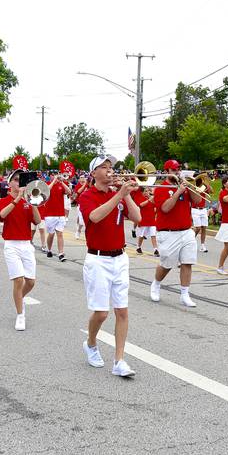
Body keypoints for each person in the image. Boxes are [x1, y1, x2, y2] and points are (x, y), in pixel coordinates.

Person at [77, 156, 141, 377]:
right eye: (103, 167)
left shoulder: (119, 194)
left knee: (122, 311)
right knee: (101, 313)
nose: (109, 171)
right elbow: (94, 216)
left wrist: (127, 195)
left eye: (111, 167)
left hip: (120, 257)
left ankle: (119, 361)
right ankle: (91, 343)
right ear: (93, 173)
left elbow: (138, 217)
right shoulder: (87, 196)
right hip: (97, 259)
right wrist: (119, 196)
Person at [149, 160, 205, 307]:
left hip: (186, 230)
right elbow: (165, 208)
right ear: (167, 171)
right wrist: (178, 192)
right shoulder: (161, 188)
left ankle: (184, 294)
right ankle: (156, 284)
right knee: (167, 264)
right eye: (174, 170)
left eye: (179, 169)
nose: (177, 172)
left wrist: (190, 188)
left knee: (188, 262)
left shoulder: (186, 186)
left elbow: (198, 201)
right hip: (168, 232)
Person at [0, 170, 41, 330]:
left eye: (20, 180)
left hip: (26, 244)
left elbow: (37, 221)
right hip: (11, 245)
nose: (18, 182)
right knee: (18, 280)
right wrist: (17, 198)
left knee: (30, 282)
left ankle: (18, 299)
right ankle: (20, 315)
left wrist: (32, 202)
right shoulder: (4, 200)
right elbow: (3, 214)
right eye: (15, 180)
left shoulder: (28, 201)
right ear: (9, 184)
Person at [43, 173, 72, 260]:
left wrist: (62, 182)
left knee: (60, 234)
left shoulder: (61, 185)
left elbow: (69, 192)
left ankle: (61, 253)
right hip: (49, 214)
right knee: (51, 234)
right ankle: (49, 250)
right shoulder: (47, 184)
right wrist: (54, 180)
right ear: (50, 176)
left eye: (56, 174)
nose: (55, 176)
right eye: (53, 175)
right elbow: (46, 191)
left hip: (60, 214)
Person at [134, 187, 159, 256]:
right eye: (145, 191)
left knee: (153, 235)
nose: (147, 192)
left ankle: (155, 249)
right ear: (143, 192)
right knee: (141, 235)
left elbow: (156, 206)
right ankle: (138, 247)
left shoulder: (152, 199)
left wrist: (153, 198)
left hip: (152, 221)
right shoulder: (141, 198)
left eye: (148, 191)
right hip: (144, 220)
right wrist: (149, 200)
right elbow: (141, 205)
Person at [191, 179, 212, 252]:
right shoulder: (193, 187)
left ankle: (202, 245)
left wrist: (205, 183)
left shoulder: (203, 187)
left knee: (204, 227)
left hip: (203, 209)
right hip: (195, 209)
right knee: (198, 227)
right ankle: (190, 241)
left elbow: (211, 191)